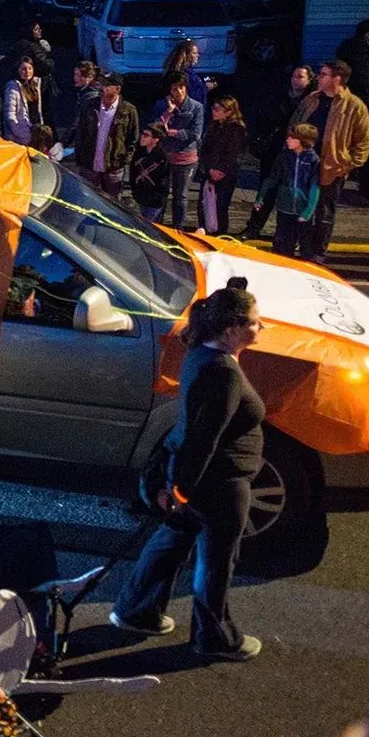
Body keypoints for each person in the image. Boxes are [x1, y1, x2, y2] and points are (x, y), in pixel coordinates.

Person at [111, 280, 265, 661]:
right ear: (231, 330)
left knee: (171, 543)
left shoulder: (202, 355)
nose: (261, 328)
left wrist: (177, 486)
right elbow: (203, 438)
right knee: (216, 563)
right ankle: (214, 637)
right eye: (256, 322)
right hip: (218, 484)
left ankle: (138, 610)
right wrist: (180, 489)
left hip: (196, 479)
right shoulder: (222, 374)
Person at [289, 59, 369, 264]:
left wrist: (347, 164)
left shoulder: (354, 106)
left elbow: (364, 140)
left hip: (331, 167)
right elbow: (294, 124)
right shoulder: (312, 99)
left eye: (324, 74)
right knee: (300, 205)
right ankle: (304, 247)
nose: (319, 77)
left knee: (324, 211)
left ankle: (318, 252)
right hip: (305, 164)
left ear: (337, 78)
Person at [241, 65, 314, 240]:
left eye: (300, 76)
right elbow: (265, 119)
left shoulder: (310, 102)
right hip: (274, 151)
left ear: (309, 80)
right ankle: (253, 227)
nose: (295, 79)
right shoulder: (280, 97)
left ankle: (291, 235)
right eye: (294, 76)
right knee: (266, 190)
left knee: (294, 194)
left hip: (296, 153)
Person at [254, 124, 322, 259]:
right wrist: (260, 197)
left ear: (303, 140)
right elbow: (272, 178)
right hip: (285, 206)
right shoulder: (284, 156)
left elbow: (315, 187)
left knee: (305, 243)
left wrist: (308, 211)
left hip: (302, 208)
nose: (288, 140)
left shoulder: (313, 160)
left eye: (292, 138)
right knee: (282, 240)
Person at [153, 72, 205, 229]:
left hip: (186, 158)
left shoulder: (196, 107)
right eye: (174, 88)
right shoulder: (162, 105)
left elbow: (195, 133)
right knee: (161, 192)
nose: (178, 92)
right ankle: (157, 224)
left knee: (180, 195)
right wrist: (169, 112)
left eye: (181, 87)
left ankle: (178, 227)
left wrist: (172, 132)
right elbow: (156, 128)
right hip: (166, 155)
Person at [75, 72, 139, 196]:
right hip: (89, 164)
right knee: (87, 200)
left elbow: (133, 138)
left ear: (118, 89)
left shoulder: (128, 110)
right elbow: (80, 132)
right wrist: (80, 156)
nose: (103, 87)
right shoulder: (90, 105)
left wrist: (124, 159)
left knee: (112, 205)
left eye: (107, 85)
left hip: (113, 168)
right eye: (102, 84)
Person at [197, 95, 247, 235]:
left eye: (218, 109)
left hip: (224, 175)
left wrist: (220, 170)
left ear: (229, 111)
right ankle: (205, 231)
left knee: (219, 207)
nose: (214, 111)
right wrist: (209, 168)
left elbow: (233, 153)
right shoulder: (213, 126)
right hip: (209, 171)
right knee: (204, 205)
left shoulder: (236, 129)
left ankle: (219, 235)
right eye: (213, 108)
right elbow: (206, 150)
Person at [336, 17, 369, 113]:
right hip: (360, 106)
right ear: (367, 35)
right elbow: (362, 81)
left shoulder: (365, 51)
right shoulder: (359, 54)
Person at [130, 123, 171, 221]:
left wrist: (158, 198)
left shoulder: (162, 157)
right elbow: (132, 173)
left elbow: (163, 181)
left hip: (154, 201)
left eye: (146, 135)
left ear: (155, 140)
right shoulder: (139, 152)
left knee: (149, 225)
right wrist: (135, 191)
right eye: (142, 134)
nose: (142, 137)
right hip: (140, 197)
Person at [2, 56, 44, 146]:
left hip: (35, 135)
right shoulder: (12, 87)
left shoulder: (36, 85)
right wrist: (24, 136)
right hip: (20, 138)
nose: (27, 71)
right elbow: (10, 115)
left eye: (29, 68)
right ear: (18, 70)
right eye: (23, 69)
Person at [162, 38, 210, 108]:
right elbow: (193, 96)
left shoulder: (182, 71)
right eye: (194, 53)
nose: (198, 55)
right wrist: (206, 87)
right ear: (186, 55)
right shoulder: (184, 75)